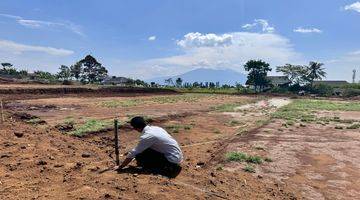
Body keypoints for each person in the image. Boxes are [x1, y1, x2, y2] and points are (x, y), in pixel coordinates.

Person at [115, 116, 183, 178]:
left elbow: (134, 152)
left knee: (140, 155)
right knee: (145, 150)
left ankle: (162, 168)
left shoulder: (147, 136)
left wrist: (121, 166)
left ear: (136, 128)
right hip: (177, 156)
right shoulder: (156, 128)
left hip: (171, 161)